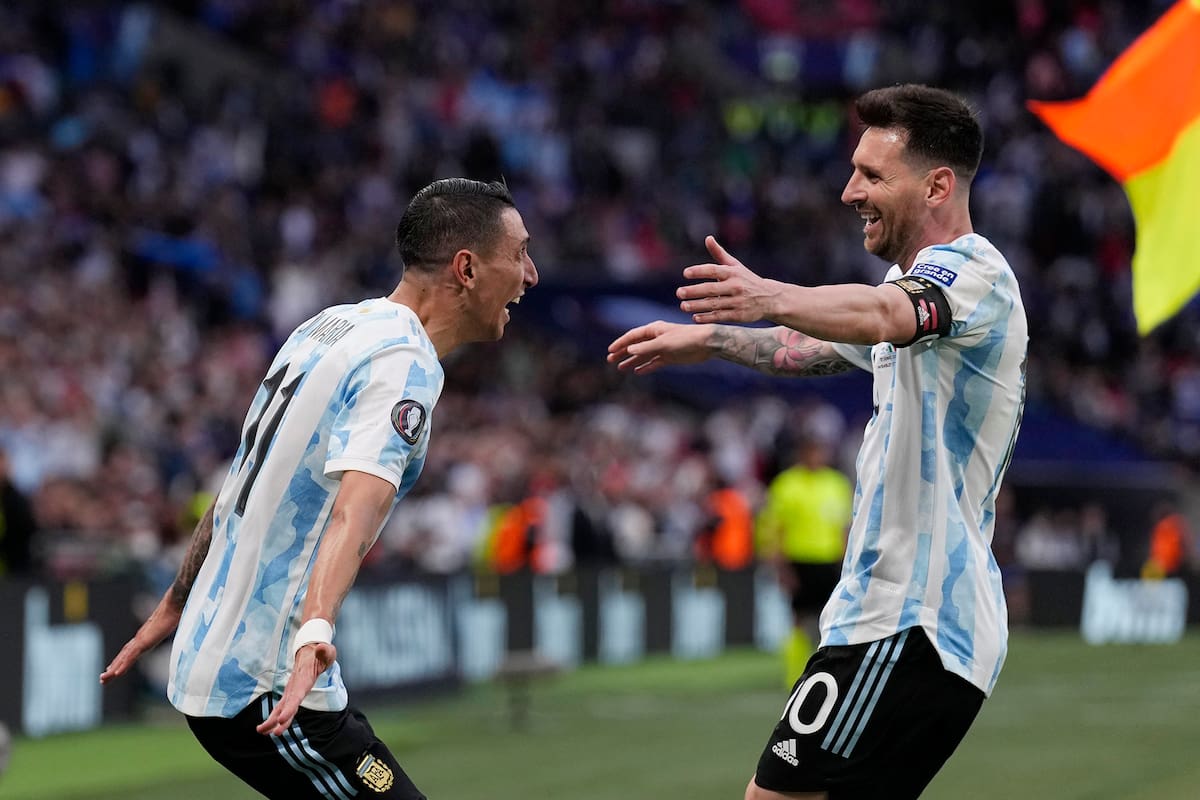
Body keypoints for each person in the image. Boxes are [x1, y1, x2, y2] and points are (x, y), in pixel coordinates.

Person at [609, 84, 1027, 799]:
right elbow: (809, 345)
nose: (848, 191)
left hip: (909, 620)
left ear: (936, 184)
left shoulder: (973, 274)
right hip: (904, 621)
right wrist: (712, 338)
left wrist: (768, 291)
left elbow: (880, 312)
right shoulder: (914, 294)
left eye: (871, 175)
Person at [101, 178, 538, 800]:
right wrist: (315, 634)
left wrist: (178, 597)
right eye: (519, 253)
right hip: (270, 685)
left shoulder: (329, 326)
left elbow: (241, 481)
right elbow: (353, 514)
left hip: (222, 665)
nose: (532, 274)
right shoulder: (403, 365)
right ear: (466, 269)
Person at [756, 436, 851, 688]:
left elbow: (845, 528)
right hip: (798, 561)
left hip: (829, 562)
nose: (816, 457)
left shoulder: (836, 484)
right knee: (798, 620)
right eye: (811, 452)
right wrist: (780, 567)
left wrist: (846, 564)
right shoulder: (786, 485)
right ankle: (794, 678)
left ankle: (827, 675)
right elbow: (774, 529)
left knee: (831, 621)